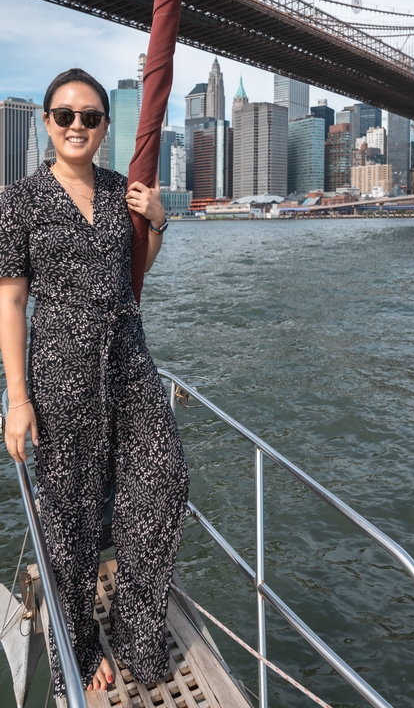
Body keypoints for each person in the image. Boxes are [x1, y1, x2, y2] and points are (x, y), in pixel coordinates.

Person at [0, 69, 189, 696]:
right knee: (72, 517)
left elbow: (133, 270)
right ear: (47, 123)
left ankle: (138, 630)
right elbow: (11, 303)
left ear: (106, 126)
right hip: (61, 370)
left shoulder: (120, 190)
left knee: (162, 482)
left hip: (129, 360)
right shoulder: (19, 200)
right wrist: (18, 400)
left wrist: (156, 222)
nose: (76, 125)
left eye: (90, 116)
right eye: (64, 115)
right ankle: (76, 653)